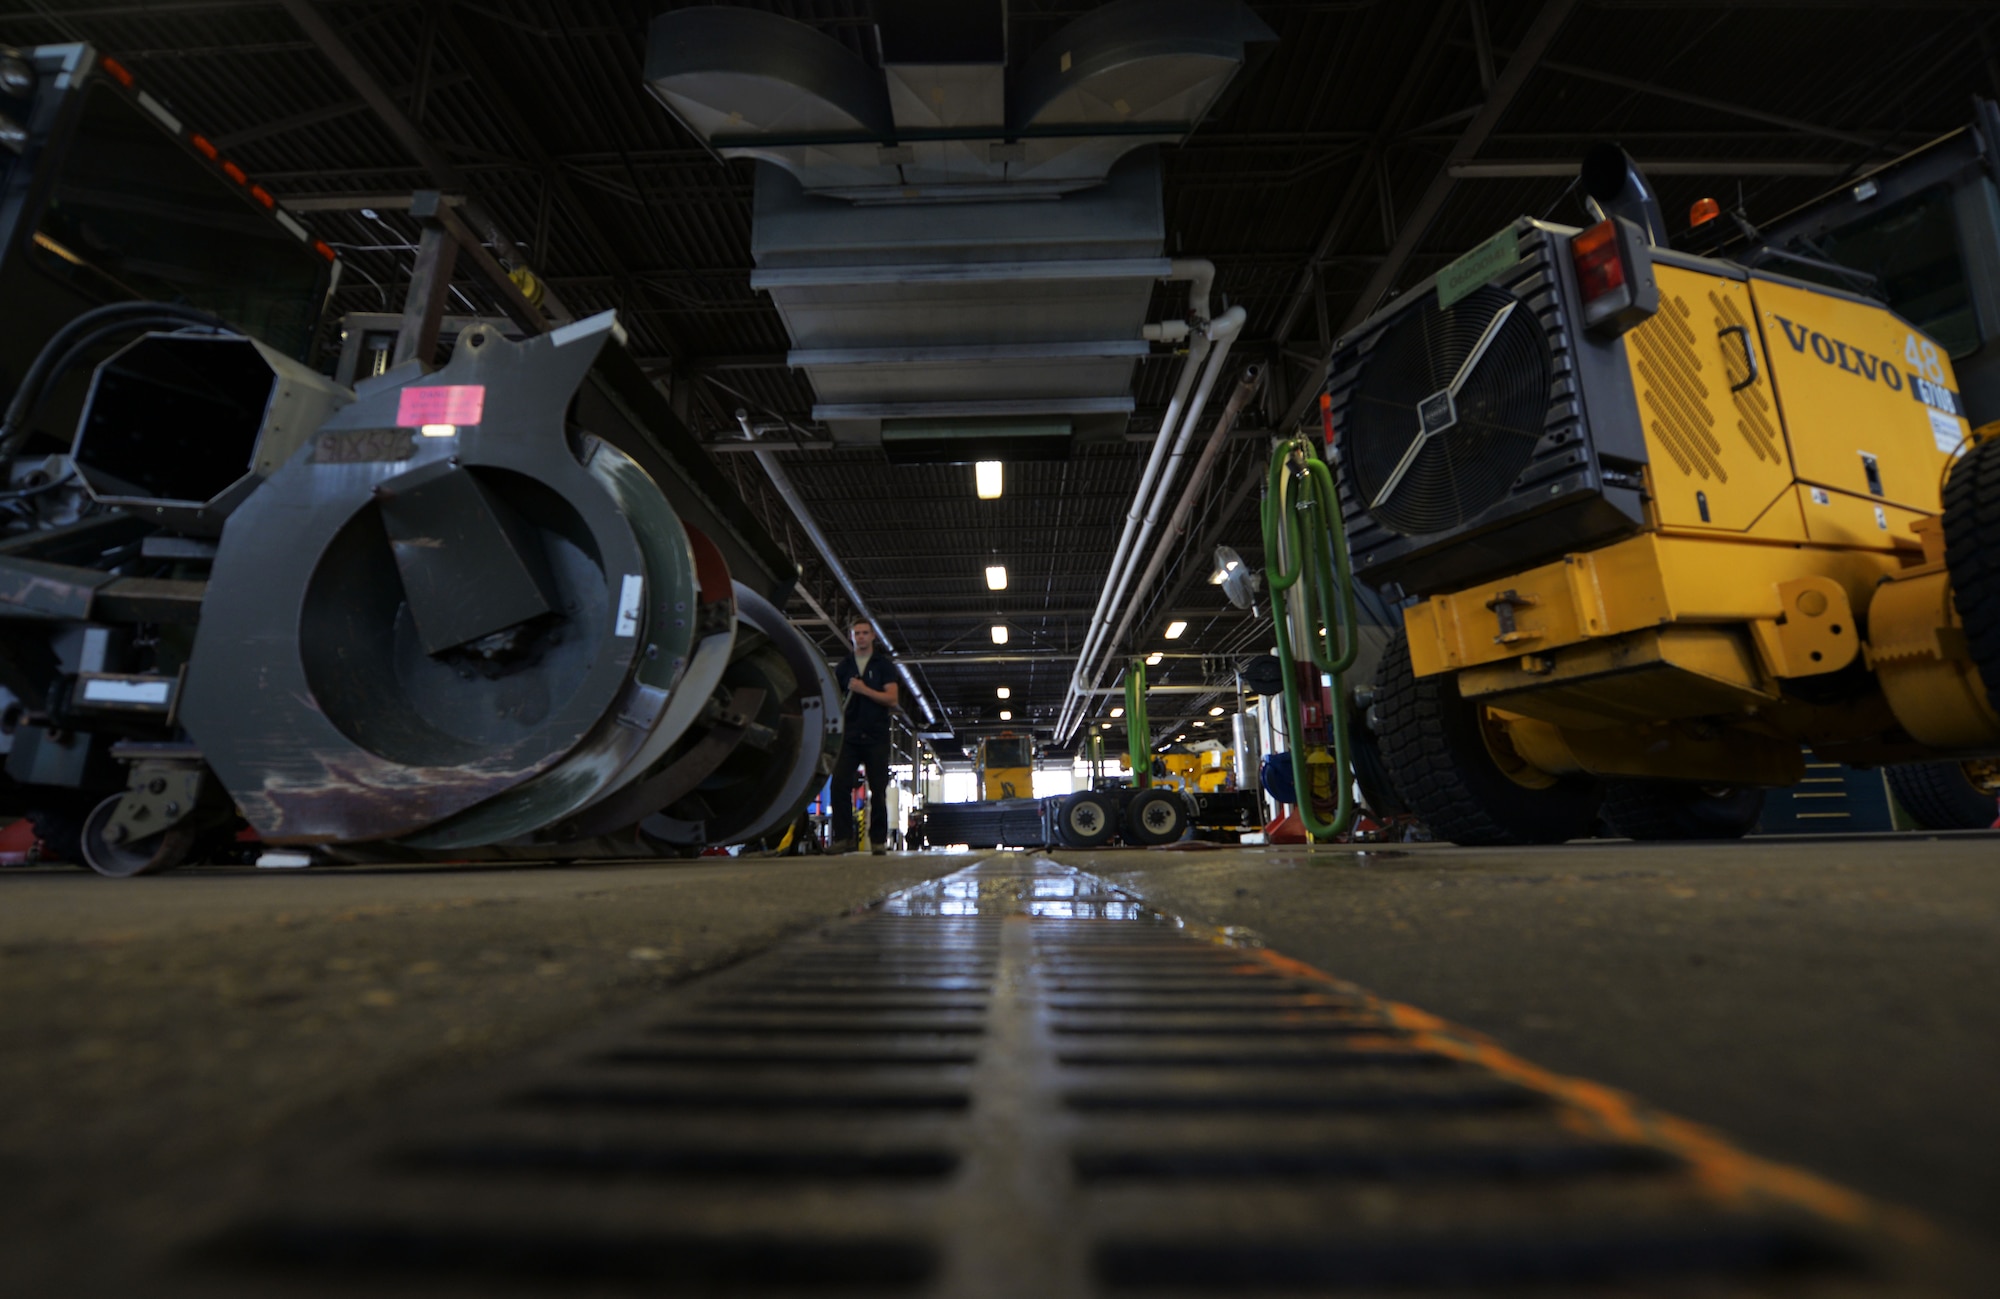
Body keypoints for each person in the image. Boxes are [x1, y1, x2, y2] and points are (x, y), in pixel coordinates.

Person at [830, 619, 899, 854]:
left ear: (873, 637)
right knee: (839, 785)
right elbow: (833, 700)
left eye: (864, 633)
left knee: (878, 789)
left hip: (875, 735)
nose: (860, 637)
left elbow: (892, 698)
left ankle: (878, 841)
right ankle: (842, 838)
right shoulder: (843, 667)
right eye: (856, 633)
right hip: (848, 735)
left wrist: (864, 690)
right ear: (851, 637)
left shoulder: (883, 666)